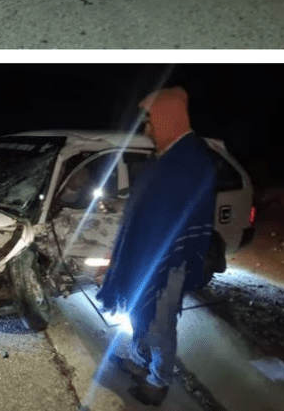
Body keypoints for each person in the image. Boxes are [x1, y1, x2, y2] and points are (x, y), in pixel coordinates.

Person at [96, 87, 217, 406]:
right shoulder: (167, 156)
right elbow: (145, 210)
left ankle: (158, 381)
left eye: (150, 121)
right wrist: (120, 255)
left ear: (166, 118)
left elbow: (187, 217)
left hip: (168, 262)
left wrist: (150, 254)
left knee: (161, 322)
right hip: (144, 257)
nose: (147, 129)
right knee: (140, 312)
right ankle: (140, 358)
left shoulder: (192, 159)